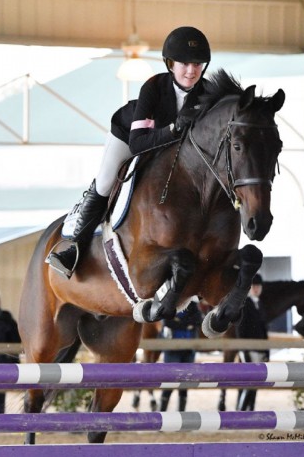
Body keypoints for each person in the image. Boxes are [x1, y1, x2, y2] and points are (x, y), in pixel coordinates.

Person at [47, 26, 211, 278]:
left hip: (172, 150)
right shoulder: (154, 87)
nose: (191, 71)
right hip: (129, 136)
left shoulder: (208, 93)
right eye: (184, 64)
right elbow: (138, 143)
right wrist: (173, 129)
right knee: (105, 182)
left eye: (198, 64)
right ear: (170, 64)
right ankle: (74, 248)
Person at [159, 299, 203, 412]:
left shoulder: (192, 304)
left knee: (185, 383)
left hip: (188, 349)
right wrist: (187, 324)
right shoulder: (169, 303)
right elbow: (167, 322)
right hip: (172, 348)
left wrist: (179, 322)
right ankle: (162, 415)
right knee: (169, 381)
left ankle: (181, 415)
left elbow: (198, 320)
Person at [236, 274, 269, 412]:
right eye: (253, 286)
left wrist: (267, 351)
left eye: (258, 286)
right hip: (248, 349)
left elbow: (264, 330)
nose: (256, 289)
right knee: (249, 383)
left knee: (255, 383)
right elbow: (240, 330)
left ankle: (251, 410)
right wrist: (244, 352)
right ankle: (241, 412)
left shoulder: (260, 304)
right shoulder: (244, 305)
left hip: (260, 350)